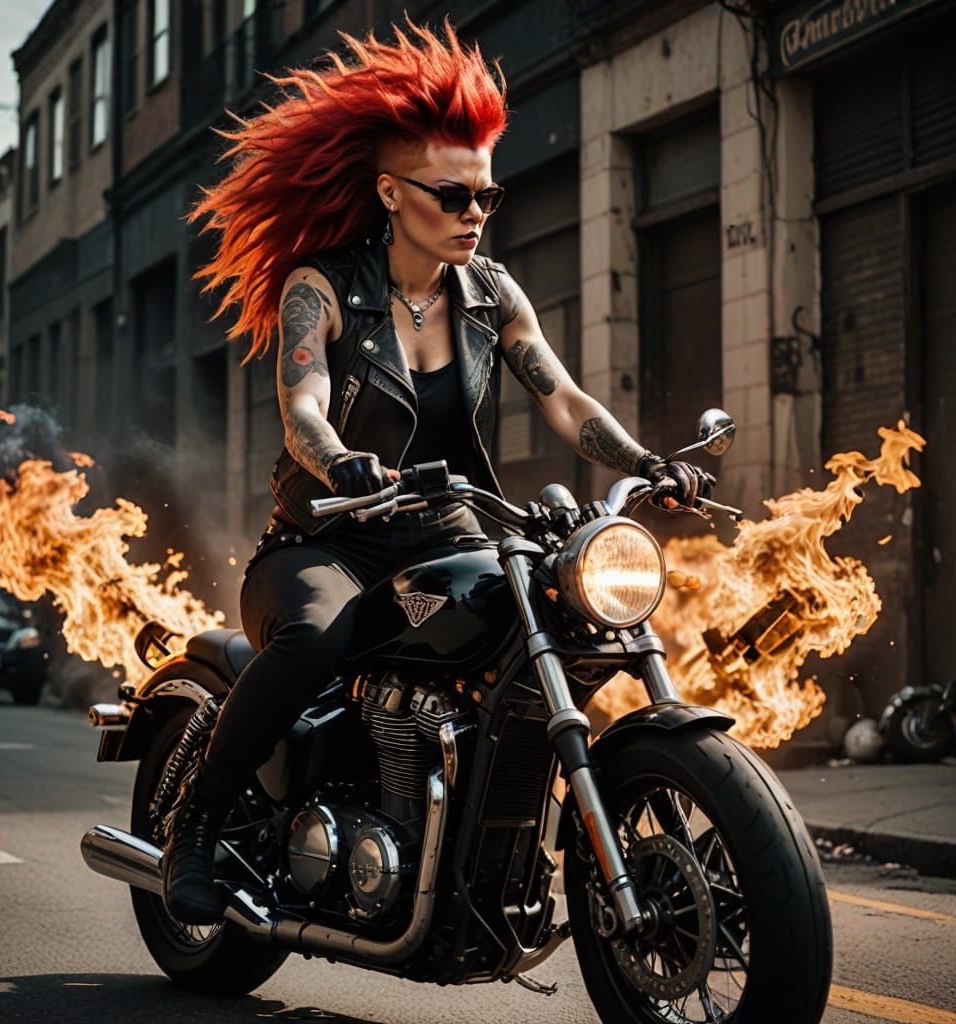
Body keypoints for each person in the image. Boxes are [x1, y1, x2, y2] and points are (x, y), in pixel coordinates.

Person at [162, 17, 711, 925]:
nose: (473, 216)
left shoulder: (493, 293)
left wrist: (649, 461)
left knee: (560, 630)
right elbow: (302, 409)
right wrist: (340, 463)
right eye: (452, 197)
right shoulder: (322, 288)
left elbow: (565, 400)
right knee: (313, 639)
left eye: (485, 198)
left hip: (452, 532)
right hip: (326, 540)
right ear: (389, 192)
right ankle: (197, 824)